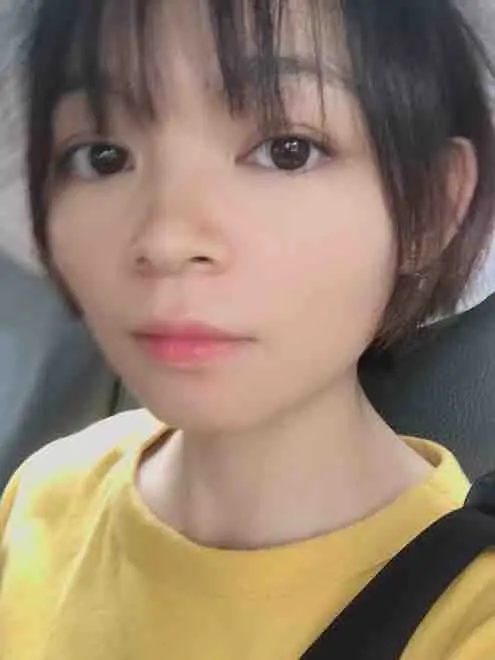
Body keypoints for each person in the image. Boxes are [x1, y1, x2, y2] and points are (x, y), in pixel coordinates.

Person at [1, 0, 495, 657]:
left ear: (432, 205)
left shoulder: (471, 617)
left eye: (287, 151)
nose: (166, 239)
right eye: (102, 156)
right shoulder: (41, 494)